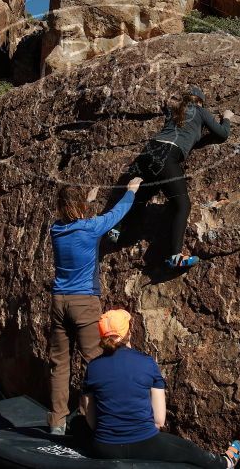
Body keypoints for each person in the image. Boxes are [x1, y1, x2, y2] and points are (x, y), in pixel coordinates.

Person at [82, 309, 240, 468]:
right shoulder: (146, 362)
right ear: (128, 333)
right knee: (189, 449)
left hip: (104, 447)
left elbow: (91, 418)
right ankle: (225, 463)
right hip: (144, 442)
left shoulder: (93, 367)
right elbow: (159, 421)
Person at [48, 177, 143, 434]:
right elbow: (118, 212)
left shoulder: (56, 230)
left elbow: (73, 219)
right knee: (96, 362)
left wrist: (85, 202)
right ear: (79, 207)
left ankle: (57, 422)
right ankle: (95, 419)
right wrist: (131, 191)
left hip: (59, 301)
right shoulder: (91, 228)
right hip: (84, 302)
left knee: (60, 364)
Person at [120, 85, 233, 268]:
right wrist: (226, 118)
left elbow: (188, 138)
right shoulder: (200, 111)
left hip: (149, 151)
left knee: (141, 195)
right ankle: (176, 257)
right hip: (167, 154)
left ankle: (116, 228)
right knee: (182, 205)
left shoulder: (174, 112)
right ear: (200, 101)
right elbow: (222, 134)